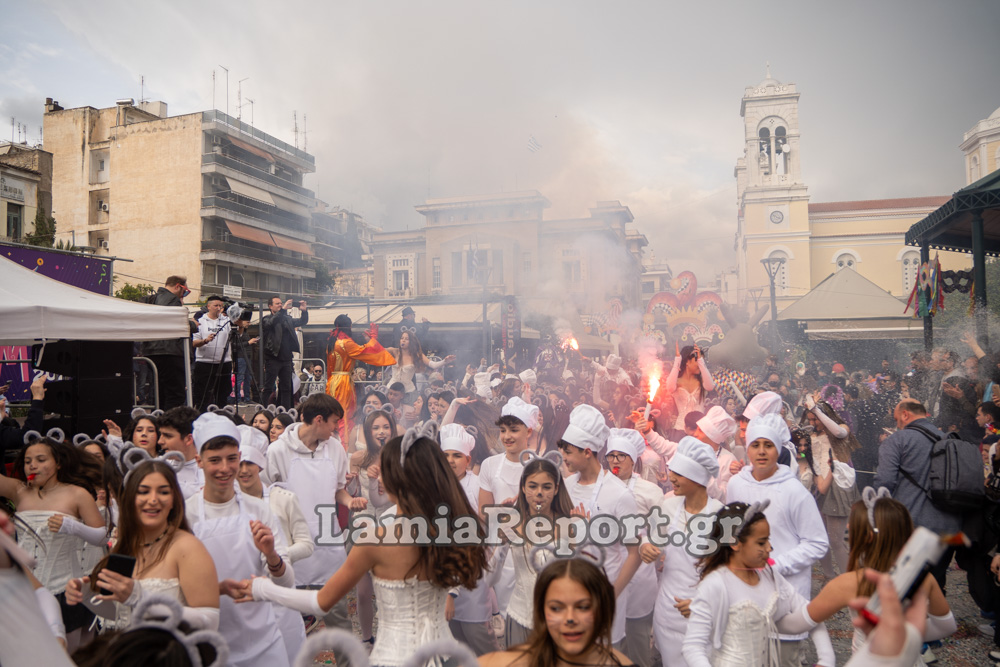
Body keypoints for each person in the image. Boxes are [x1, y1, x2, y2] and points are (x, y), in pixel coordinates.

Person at [230, 423, 488, 667]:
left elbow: (321, 602)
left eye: (382, 468)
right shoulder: (451, 526)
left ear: (394, 478)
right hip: (446, 655)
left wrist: (263, 589)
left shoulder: (374, 539)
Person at [185, 412, 296, 667]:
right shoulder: (186, 515)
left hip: (264, 642)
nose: (225, 469)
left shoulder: (258, 510)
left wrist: (271, 555)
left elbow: (287, 581)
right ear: (199, 461)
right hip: (211, 646)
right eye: (215, 460)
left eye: (232, 459)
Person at [800, 491, 955, 663]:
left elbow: (800, 622)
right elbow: (946, 625)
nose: (848, 527)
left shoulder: (848, 583)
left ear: (867, 536)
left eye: (853, 524)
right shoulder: (923, 577)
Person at [65, 459, 220, 631]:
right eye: (143, 492)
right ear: (130, 499)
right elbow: (120, 616)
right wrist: (86, 594)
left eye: (163, 492)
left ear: (173, 500)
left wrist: (140, 597)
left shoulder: (187, 547)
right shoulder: (125, 545)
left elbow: (210, 621)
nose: (153, 500)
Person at [725, 414, 829, 666]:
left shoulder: (793, 491)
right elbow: (731, 535)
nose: (761, 452)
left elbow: (817, 542)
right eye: (755, 445)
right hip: (744, 596)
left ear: (778, 449)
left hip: (784, 595)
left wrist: (776, 565)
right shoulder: (736, 485)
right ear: (747, 447)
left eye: (768, 445)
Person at [681, 501, 835, 667]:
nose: (769, 548)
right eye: (761, 543)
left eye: (768, 540)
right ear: (735, 543)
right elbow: (693, 646)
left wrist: (826, 659)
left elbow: (810, 614)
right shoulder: (716, 584)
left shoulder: (770, 576)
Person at [265, 393, 366, 641]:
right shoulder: (278, 450)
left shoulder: (335, 449)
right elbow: (266, 495)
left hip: (327, 544)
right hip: (290, 546)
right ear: (319, 420)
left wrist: (349, 501)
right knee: (288, 621)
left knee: (338, 616)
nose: (336, 428)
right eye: (334, 422)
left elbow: (338, 490)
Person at [1, 433, 106, 650]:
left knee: (66, 656)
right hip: (25, 589)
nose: (33, 466)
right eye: (28, 461)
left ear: (57, 463)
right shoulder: (19, 491)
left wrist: (73, 527)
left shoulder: (77, 494)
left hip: (66, 589)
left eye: (41, 460)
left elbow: (102, 536)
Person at [558, 404, 642, 649]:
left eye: (569, 452)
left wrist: (611, 595)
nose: (564, 457)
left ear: (587, 452)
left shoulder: (619, 494)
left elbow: (634, 554)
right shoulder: (566, 486)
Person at [641, 436, 722, 667]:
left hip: (704, 614)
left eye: (679, 474)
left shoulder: (720, 516)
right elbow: (651, 539)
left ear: (697, 479)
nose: (671, 478)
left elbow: (729, 572)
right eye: (672, 471)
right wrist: (646, 546)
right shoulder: (668, 505)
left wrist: (702, 603)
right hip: (668, 612)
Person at [873, 399, 961, 589]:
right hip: (949, 527)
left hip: (913, 527)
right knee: (936, 585)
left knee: (907, 587)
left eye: (897, 419)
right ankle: (938, 616)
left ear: (905, 415)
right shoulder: (949, 439)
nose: (897, 425)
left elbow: (884, 483)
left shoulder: (897, 440)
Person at [479, 557, 633, 667]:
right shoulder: (508, 662)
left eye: (583, 607)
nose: (570, 619)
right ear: (542, 613)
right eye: (556, 608)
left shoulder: (621, 663)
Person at [235, 441, 310, 663]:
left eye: (249, 463)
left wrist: (277, 556)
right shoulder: (229, 503)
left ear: (260, 465)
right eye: (239, 463)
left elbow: (306, 544)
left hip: (281, 590)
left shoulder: (283, 499)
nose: (244, 470)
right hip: (244, 591)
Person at [604, 428, 661, 667]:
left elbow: (661, 534)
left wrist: (647, 543)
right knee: (612, 642)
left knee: (637, 641)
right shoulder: (600, 487)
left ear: (633, 459)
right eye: (611, 455)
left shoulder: (650, 491)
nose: (615, 460)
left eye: (621, 455)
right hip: (608, 572)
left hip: (639, 574)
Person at [800, 394, 861, 577]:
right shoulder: (810, 435)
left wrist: (816, 408)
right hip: (818, 486)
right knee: (821, 539)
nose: (814, 423)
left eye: (815, 419)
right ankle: (829, 577)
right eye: (810, 419)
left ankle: (849, 580)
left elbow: (839, 433)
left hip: (837, 486)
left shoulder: (840, 428)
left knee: (836, 540)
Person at [326, 314, 396, 441]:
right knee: (345, 415)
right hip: (343, 383)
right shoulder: (346, 343)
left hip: (332, 382)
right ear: (349, 326)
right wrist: (373, 339)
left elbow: (329, 369)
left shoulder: (331, 342)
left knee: (332, 413)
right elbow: (365, 352)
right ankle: (345, 444)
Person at [140, 275, 192, 410]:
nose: (183, 295)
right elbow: (174, 322)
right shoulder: (172, 299)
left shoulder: (150, 299)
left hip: (151, 351)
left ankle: (159, 422)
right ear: (178, 286)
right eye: (184, 291)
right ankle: (170, 425)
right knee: (175, 394)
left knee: (159, 392)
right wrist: (192, 324)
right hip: (169, 352)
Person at [260, 296, 308, 410]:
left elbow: (302, 321)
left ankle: (285, 412)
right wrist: (282, 311)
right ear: (270, 306)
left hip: (286, 358)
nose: (280, 305)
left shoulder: (287, 319)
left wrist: (304, 311)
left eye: (281, 303)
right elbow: (271, 323)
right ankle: (263, 410)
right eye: (277, 304)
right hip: (273, 358)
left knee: (286, 387)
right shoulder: (266, 319)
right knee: (268, 386)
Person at [192, 295, 233, 413]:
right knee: (203, 396)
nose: (219, 308)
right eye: (216, 305)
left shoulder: (226, 320)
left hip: (224, 362)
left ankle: (222, 418)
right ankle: (201, 418)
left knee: (222, 396)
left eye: (221, 306)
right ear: (208, 306)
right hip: (205, 363)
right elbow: (194, 343)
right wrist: (204, 341)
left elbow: (238, 331)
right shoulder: (200, 322)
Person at [666, 344, 716, 431]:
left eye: (702, 361)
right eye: (697, 360)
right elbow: (670, 388)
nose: (700, 364)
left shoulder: (702, 381)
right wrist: (677, 360)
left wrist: (700, 361)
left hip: (701, 428)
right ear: (687, 362)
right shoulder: (677, 381)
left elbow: (710, 387)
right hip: (681, 429)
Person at [156, 406, 203, 499]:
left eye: (167, 436)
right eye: (161, 434)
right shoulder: (157, 466)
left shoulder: (210, 470)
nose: (160, 441)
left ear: (188, 439)